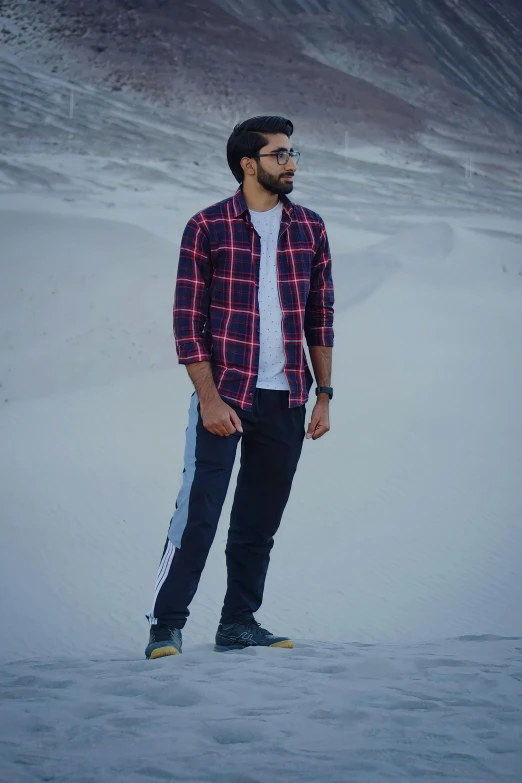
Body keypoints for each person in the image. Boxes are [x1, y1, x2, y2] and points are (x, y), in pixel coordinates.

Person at [145, 115, 334, 658]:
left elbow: (320, 316)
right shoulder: (207, 226)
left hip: (287, 398)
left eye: (293, 152)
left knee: (259, 520)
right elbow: (187, 322)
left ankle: (238, 623)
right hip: (225, 394)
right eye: (279, 154)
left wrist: (324, 395)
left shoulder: (311, 228)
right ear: (249, 164)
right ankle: (165, 625)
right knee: (199, 513)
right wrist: (208, 397)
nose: (291, 162)